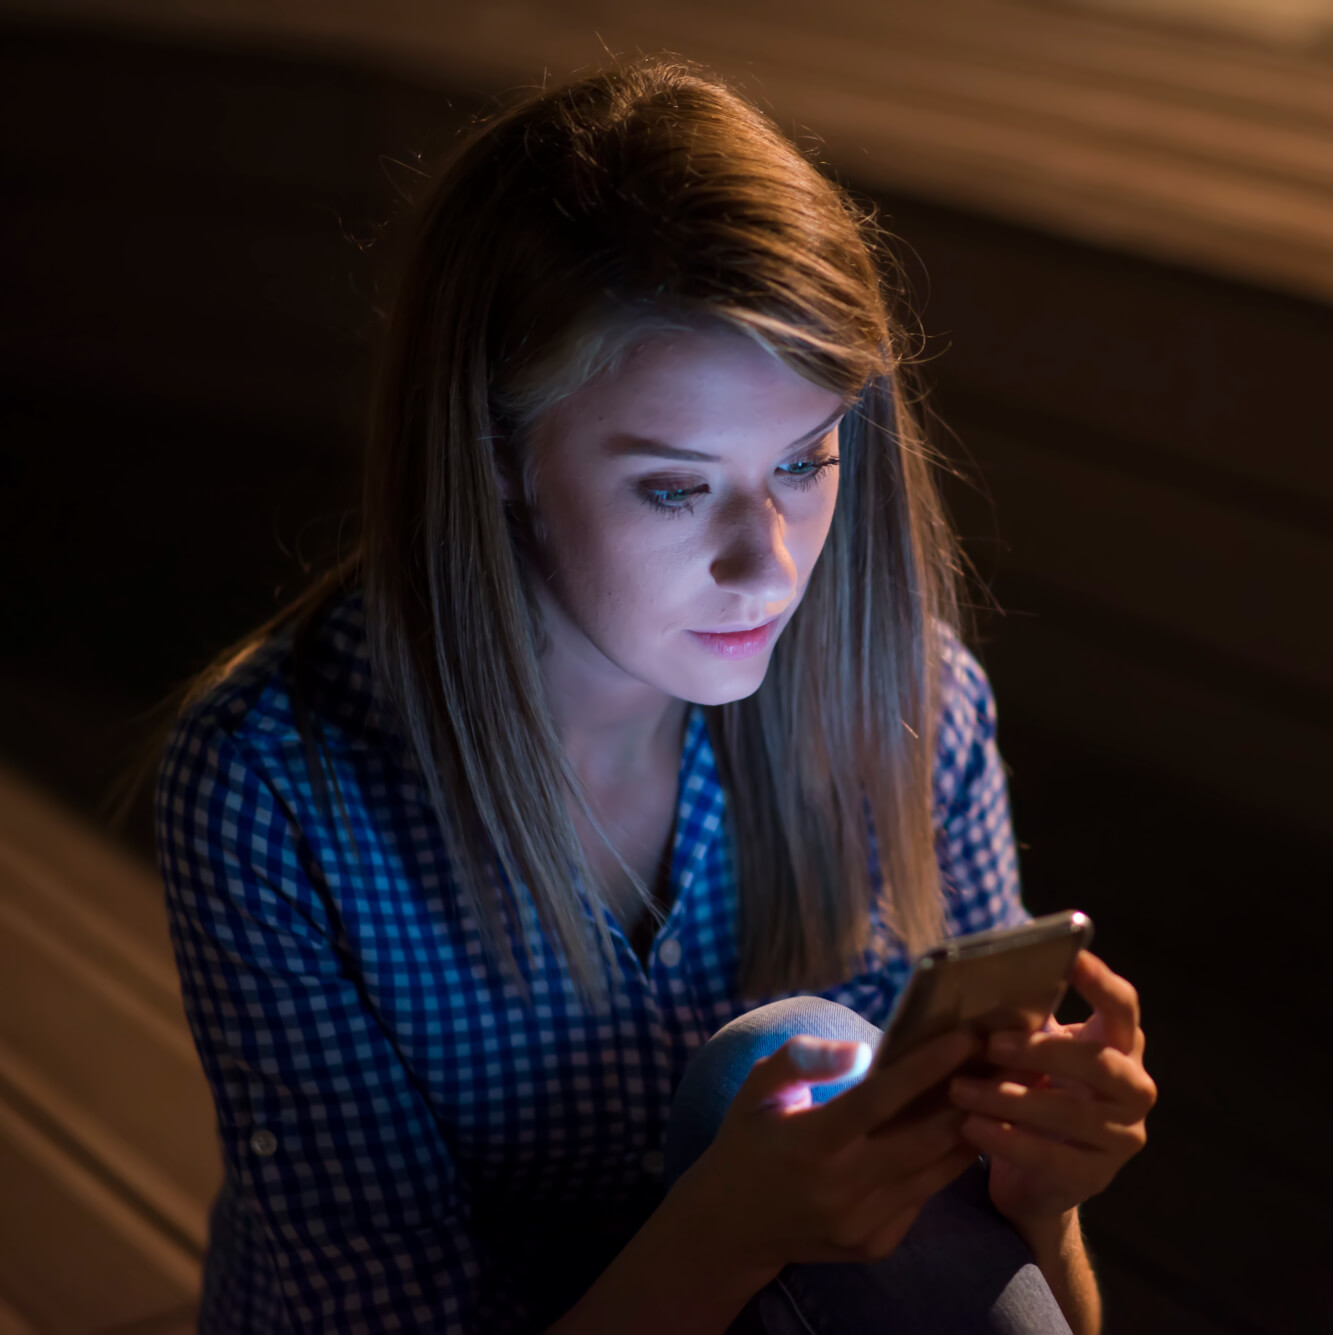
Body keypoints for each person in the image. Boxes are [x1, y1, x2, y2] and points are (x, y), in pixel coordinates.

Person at [149, 55, 1154, 1334]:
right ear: (497, 455)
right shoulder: (278, 790)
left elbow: (1004, 1305)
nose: (770, 563)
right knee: (782, 1056)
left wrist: (1041, 1202)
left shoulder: (906, 707)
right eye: (675, 488)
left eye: (805, 461)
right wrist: (724, 1235)